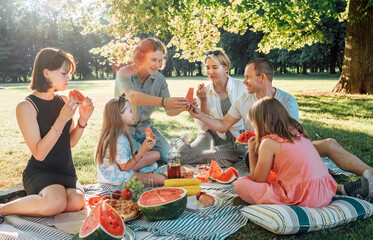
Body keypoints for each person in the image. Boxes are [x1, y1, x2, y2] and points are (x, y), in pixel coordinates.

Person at [189, 58, 373, 198]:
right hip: (261, 152)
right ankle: (337, 187)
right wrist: (199, 114)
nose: (244, 82)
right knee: (268, 165)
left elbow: (294, 138)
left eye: (248, 77)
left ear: (262, 77)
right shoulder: (244, 100)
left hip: (287, 149)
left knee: (330, 143)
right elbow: (223, 124)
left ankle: (370, 175)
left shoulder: (287, 100)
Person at [0, 47, 94, 222]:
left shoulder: (64, 101)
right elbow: (39, 153)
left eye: (69, 74)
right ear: (46, 73)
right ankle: (3, 208)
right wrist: (61, 119)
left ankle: (34, 201)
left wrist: (82, 120)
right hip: (40, 170)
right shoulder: (26, 106)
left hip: (66, 170)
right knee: (55, 203)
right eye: (64, 73)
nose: (68, 78)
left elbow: (70, 143)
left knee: (76, 202)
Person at [233, 97, 373, 207]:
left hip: (307, 198)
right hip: (326, 191)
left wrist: (251, 151)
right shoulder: (297, 131)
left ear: (261, 123)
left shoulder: (268, 143)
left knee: (240, 184)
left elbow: (258, 180)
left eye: (254, 125)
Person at [115, 38, 189, 163]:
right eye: (153, 60)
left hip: (147, 128)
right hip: (124, 129)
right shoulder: (124, 73)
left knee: (170, 159)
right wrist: (164, 101)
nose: (157, 65)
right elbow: (134, 96)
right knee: (132, 163)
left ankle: (151, 162)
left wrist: (184, 107)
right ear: (140, 57)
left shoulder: (160, 79)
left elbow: (169, 111)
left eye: (160, 60)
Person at [177, 50, 247, 167]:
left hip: (236, 140)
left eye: (214, 67)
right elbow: (203, 127)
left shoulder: (241, 87)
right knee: (180, 155)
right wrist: (203, 101)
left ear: (225, 68)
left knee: (216, 156)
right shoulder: (205, 91)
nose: (210, 72)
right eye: (207, 67)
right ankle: (181, 142)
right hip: (210, 137)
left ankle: (215, 158)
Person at [95, 96, 166, 187]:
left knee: (156, 155)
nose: (133, 114)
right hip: (117, 177)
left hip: (119, 169)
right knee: (162, 180)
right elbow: (125, 168)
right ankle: (145, 174)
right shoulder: (119, 139)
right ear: (120, 116)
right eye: (130, 111)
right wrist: (142, 151)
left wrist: (145, 148)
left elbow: (125, 159)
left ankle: (145, 173)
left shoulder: (118, 132)